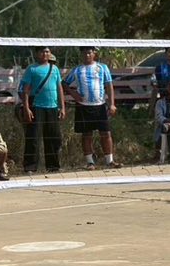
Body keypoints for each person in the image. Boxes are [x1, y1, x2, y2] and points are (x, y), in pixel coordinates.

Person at [63, 46, 120, 170]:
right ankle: (90, 162)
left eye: (89, 53)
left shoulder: (102, 67)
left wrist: (112, 104)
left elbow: (109, 85)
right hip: (83, 106)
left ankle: (110, 161)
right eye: (84, 53)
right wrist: (73, 93)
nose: (87, 55)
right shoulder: (77, 70)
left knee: (106, 133)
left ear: (94, 53)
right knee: (86, 134)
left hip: (100, 105)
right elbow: (64, 83)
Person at [20, 45, 65, 173]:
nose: (45, 54)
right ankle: (30, 166)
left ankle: (53, 166)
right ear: (37, 53)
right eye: (42, 52)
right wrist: (26, 108)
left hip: (52, 107)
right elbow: (26, 90)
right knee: (34, 138)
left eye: (47, 51)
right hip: (37, 107)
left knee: (53, 137)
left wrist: (62, 107)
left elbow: (59, 88)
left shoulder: (54, 69)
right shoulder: (32, 69)